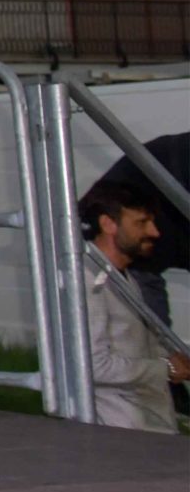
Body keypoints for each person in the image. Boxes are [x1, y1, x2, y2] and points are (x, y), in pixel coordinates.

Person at [81, 184, 190, 433]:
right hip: (118, 427)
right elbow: (92, 365)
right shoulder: (88, 279)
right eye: (141, 223)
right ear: (108, 224)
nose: (154, 232)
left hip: (143, 421)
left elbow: (136, 342)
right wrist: (165, 368)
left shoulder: (121, 274)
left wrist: (170, 360)